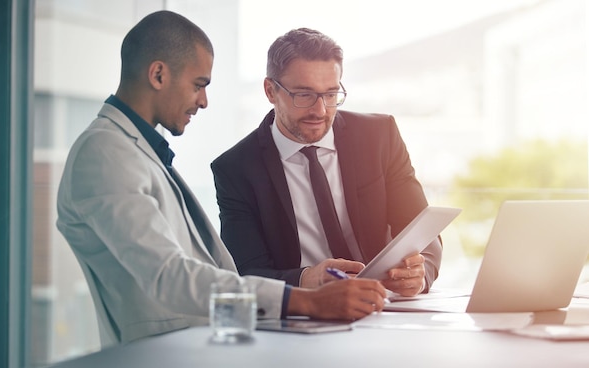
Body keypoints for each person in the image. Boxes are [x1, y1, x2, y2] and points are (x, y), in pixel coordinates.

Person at [56, 11, 386, 345]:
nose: (203, 101)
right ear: (158, 75)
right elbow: (168, 276)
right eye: (198, 85)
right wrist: (305, 301)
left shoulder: (135, 150)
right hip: (157, 362)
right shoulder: (104, 153)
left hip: (190, 352)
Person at [211, 28, 442, 297]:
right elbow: (247, 272)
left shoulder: (379, 136)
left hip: (384, 306)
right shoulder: (236, 169)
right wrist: (307, 279)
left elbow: (423, 231)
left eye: (331, 95)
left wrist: (420, 274)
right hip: (305, 312)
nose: (320, 111)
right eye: (304, 95)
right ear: (270, 91)